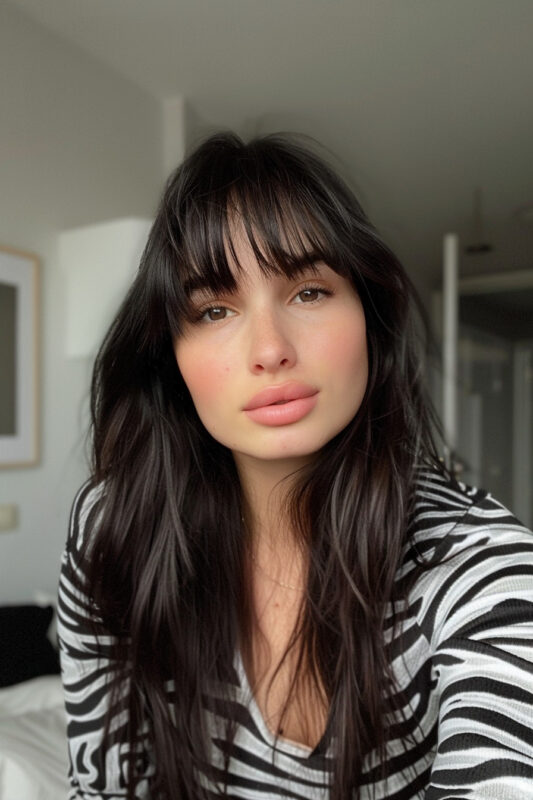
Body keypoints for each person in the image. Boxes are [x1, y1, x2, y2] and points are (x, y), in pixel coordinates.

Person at [58, 131, 533, 800]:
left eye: (308, 291)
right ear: (169, 358)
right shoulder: (114, 528)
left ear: (370, 315)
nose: (270, 349)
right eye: (214, 309)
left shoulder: (480, 569)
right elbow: (103, 787)